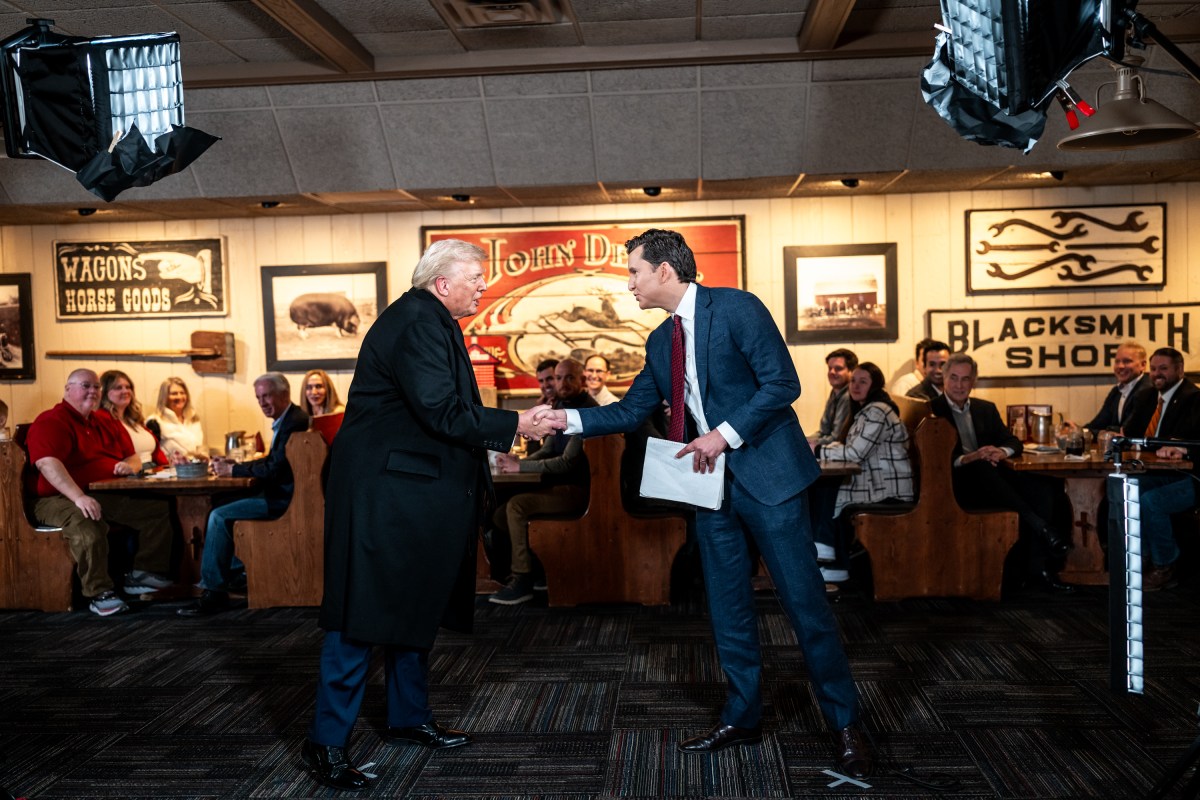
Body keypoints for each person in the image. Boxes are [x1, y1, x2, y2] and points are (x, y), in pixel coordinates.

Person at [536, 229, 871, 776]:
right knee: (727, 607)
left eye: (634, 273)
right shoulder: (657, 341)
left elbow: (782, 384)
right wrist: (563, 418)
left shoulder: (737, 308)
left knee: (805, 606)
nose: (629, 285)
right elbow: (627, 411)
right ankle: (742, 716)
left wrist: (723, 434)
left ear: (665, 271)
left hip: (769, 478)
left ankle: (846, 724)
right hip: (709, 489)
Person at [303, 239, 551, 791]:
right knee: (362, 615)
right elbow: (441, 410)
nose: (484, 286)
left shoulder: (429, 319)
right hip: (388, 495)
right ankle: (325, 742)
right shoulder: (417, 322)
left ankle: (408, 719)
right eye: (476, 278)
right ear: (442, 283)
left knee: (412, 608)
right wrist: (517, 427)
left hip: (409, 492)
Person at [26, 369, 175, 616]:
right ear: (67, 389)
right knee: (87, 520)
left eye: (96, 387)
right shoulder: (51, 420)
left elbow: (133, 455)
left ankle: (143, 573)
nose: (93, 391)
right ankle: (98, 592)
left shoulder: (101, 421)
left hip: (97, 491)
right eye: (86, 386)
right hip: (52, 498)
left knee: (154, 509)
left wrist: (131, 466)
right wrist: (79, 497)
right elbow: (47, 464)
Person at [931, 354, 1075, 593]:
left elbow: (1012, 441)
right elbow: (936, 458)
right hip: (957, 482)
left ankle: (1038, 569)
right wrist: (972, 456)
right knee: (979, 466)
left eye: (965, 379)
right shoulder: (932, 410)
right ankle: (1043, 529)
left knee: (1042, 487)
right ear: (944, 379)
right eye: (953, 378)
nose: (959, 385)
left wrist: (1000, 450)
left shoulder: (984, 408)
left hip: (994, 479)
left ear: (973, 381)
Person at [177, 372, 310, 616]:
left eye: (267, 396)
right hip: (287, 494)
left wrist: (234, 469)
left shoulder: (295, 422)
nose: (262, 403)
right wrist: (234, 466)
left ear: (284, 394)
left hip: (285, 501)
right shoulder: (291, 418)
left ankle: (214, 591)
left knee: (218, 515)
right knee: (219, 503)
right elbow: (275, 462)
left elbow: (275, 468)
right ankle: (233, 573)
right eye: (258, 398)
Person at [489, 358, 597, 605]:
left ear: (582, 380)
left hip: (579, 491)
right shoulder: (561, 405)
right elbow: (548, 450)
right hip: (557, 487)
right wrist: (514, 466)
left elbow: (566, 463)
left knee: (516, 506)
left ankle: (523, 578)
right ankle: (540, 568)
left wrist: (521, 466)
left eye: (569, 377)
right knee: (499, 514)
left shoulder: (587, 411)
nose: (562, 383)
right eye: (559, 378)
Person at [1110, 347, 1200, 591]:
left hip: (1192, 477)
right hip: (1162, 472)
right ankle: (1143, 559)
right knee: (1127, 490)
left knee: (1151, 501)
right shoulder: (1148, 396)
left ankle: (1165, 565)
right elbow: (1130, 433)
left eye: (1164, 368)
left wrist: (1185, 450)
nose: (1157, 374)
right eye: (1153, 369)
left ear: (1180, 370)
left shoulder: (1194, 397)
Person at [815, 362, 914, 582]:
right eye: (854, 381)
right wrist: (821, 449)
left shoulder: (877, 411)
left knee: (826, 485)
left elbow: (854, 454)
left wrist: (819, 450)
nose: (856, 386)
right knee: (824, 484)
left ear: (875, 386)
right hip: (875, 481)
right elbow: (850, 447)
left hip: (888, 488)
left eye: (863, 381)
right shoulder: (865, 409)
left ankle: (830, 553)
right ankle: (826, 550)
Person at [99, 370, 167, 469]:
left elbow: (156, 453)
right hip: (131, 473)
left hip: (154, 469)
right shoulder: (102, 418)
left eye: (128, 387)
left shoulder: (133, 418)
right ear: (105, 392)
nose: (125, 391)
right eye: (118, 388)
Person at [1085, 341, 1155, 432]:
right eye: (1117, 361)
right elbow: (1098, 424)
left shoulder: (1147, 391)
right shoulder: (1116, 391)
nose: (1120, 366)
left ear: (1143, 365)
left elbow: (1128, 431)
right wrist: (1078, 430)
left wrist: (1102, 432)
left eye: (1127, 361)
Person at [147, 377, 206, 461]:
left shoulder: (193, 419)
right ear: (164, 397)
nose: (179, 397)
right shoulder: (154, 422)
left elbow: (199, 447)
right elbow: (151, 455)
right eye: (174, 394)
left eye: (182, 393)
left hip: (195, 469)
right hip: (169, 471)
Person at [809, 349, 856, 448]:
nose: (832, 372)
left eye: (838, 368)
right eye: (830, 368)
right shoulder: (835, 392)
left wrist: (809, 443)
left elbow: (837, 437)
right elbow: (824, 431)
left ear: (851, 371)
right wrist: (805, 439)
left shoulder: (849, 396)